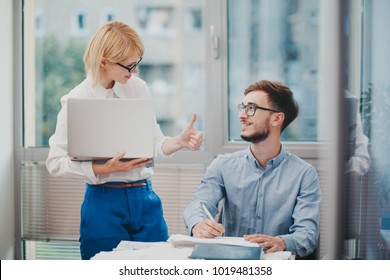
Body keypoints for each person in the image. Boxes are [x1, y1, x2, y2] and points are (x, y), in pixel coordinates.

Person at [46, 21, 203, 260]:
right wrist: (100, 168)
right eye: (129, 66)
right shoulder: (77, 99)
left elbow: (154, 143)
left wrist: (179, 141)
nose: (135, 71)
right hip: (103, 201)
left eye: (137, 63)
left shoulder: (138, 88)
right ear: (103, 62)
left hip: (145, 198)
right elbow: (54, 162)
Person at [184, 80, 321, 258]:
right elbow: (198, 204)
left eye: (251, 108)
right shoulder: (223, 165)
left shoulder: (304, 174)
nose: (242, 115)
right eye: (242, 107)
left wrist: (281, 242)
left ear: (277, 118)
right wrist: (198, 224)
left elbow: (307, 234)